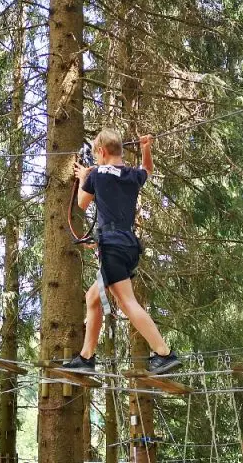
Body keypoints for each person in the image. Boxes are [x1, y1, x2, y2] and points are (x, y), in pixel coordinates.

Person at [62, 129, 181, 375]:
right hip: (127, 244)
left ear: (102, 152)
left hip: (113, 247)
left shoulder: (96, 175)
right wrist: (146, 148)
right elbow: (147, 169)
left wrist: (84, 176)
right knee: (93, 298)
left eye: (96, 155)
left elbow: (82, 204)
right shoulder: (131, 175)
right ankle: (86, 357)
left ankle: (164, 353)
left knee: (127, 302)